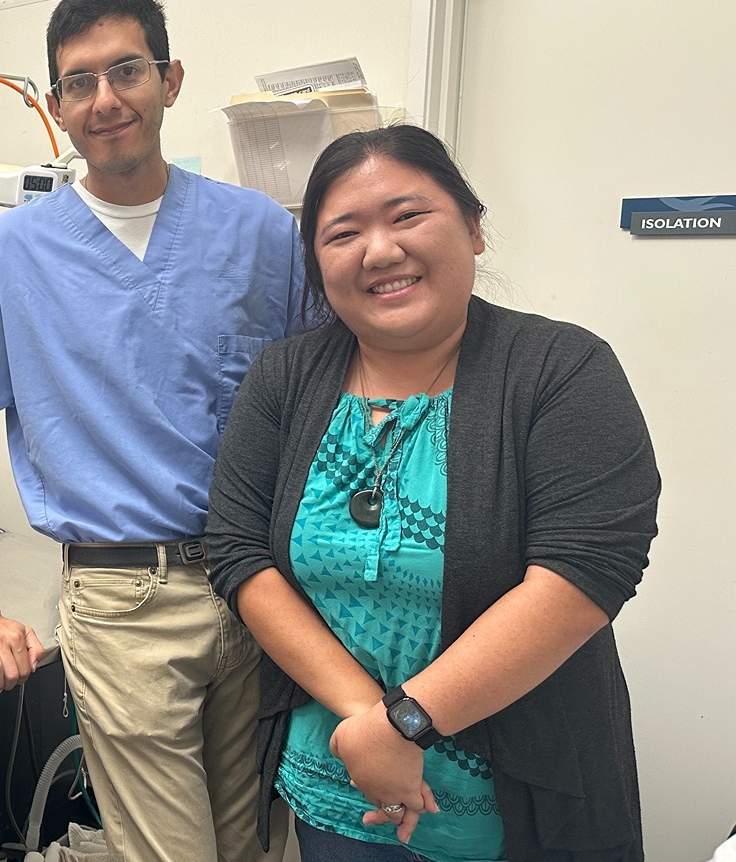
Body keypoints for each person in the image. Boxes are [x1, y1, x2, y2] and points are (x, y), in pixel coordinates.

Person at [204, 124, 659, 861]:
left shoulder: (561, 368)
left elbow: (585, 572)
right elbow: (237, 552)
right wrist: (370, 725)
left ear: (473, 228)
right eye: (343, 233)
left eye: (407, 216)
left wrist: (408, 722)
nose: (380, 250)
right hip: (337, 790)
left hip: (516, 808)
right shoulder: (284, 378)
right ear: (317, 267)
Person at [0, 0, 303, 862]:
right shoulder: (14, 253)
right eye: (79, 82)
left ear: (170, 80)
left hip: (260, 590)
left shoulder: (261, 234)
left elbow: (319, 399)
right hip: (123, 598)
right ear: (57, 105)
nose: (105, 99)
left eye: (126, 71)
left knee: (252, 849)